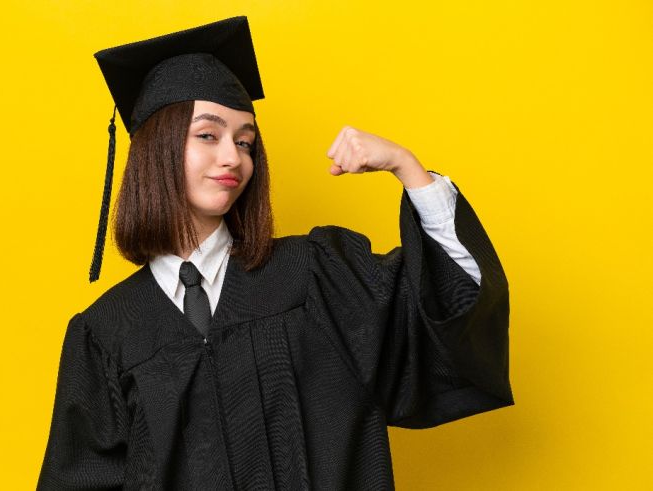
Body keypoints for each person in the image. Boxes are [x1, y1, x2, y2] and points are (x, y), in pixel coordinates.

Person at [37, 16, 512, 490]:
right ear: (155, 149)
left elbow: (455, 308)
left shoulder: (315, 275)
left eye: (245, 142)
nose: (233, 158)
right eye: (209, 135)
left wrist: (408, 169)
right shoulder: (105, 333)